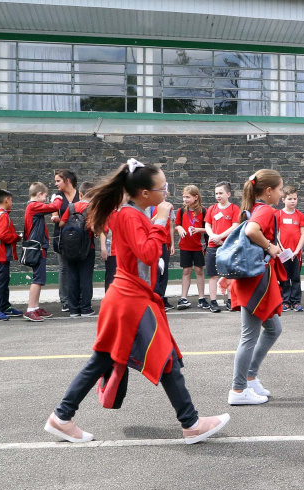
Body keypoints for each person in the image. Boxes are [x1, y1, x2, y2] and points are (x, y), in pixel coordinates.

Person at [44, 159, 229, 445]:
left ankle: (62, 416)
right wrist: (160, 221)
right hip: (131, 301)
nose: (166, 193)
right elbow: (148, 253)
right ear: (144, 193)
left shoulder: (132, 213)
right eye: (162, 188)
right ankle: (191, 423)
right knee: (163, 358)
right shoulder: (131, 215)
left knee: (107, 360)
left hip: (130, 299)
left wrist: (156, 223)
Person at [228, 169, 287, 406]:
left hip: (254, 279)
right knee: (249, 337)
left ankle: (249, 378)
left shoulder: (253, 208)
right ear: (269, 191)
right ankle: (238, 389)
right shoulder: (265, 210)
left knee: (273, 329)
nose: (282, 194)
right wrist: (270, 247)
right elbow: (252, 231)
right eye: (280, 189)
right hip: (256, 282)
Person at [23, 182, 63, 322]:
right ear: (39, 194)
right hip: (37, 247)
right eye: (45, 196)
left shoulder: (32, 207)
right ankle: (30, 309)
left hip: (38, 247)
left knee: (39, 278)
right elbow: (54, 207)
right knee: (38, 279)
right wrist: (57, 198)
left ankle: (35, 307)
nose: (46, 199)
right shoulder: (33, 206)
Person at [58, 182, 97, 318]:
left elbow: (62, 223)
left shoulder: (71, 206)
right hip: (87, 248)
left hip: (70, 248)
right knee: (85, 278)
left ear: (80, 194)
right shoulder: (92, 208)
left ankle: (73, 309)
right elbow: (93, 228)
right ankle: (86, 308)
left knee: (72, 277)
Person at [204, 182, 240, 313]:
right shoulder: (212, 208)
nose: (218, 196)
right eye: (216, 193)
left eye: (221, 193)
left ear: (228, 194)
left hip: (228, 246)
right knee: (213, 275)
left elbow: (235, 225)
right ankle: (213, 302)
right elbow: (207, 225)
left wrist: (221, 237)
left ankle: (231, 300)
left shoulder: (234, 208)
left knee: (230, 275)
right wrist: (213, 236)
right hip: (213, 246)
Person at [0, 188, 23, 321]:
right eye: (11, 200)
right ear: (6, 200)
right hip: (1, 254)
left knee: (3, 281)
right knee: (0, 282)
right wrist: (17, 237)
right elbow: (2, 235)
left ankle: (4, 306)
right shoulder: (3, 215)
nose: (12, 203)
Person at [174, 185, 208, 310]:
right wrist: (179, 228)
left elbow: (209, 229)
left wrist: (198, 229)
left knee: (199, 270)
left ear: (196, 197)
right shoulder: (181, 211)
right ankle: (183, 297)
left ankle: (201, 298)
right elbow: (177, 225)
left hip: (199, 246)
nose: (185, 199)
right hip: (185, 246)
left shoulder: (203, 211)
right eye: (184, 197)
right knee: (186, 271)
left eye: (188, 197)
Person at [51, 169, 79, 312]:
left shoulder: (80, 194)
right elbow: (54, 213)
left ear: (67, 180)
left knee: (79, 267)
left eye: (58, 181)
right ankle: (65, 300)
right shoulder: (57, 196)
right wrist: (55, 217)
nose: (56, 184)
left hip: (80, 237)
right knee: (63, 268)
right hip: (62, 236)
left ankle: (78, 298)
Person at [277, 185, 304, 312]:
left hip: (296, 254)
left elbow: (303, 234)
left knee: (296, 278)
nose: (292, 201)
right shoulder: (278, 214)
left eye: (295, 198)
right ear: (283, 200)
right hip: (283, 253)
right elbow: (276, 234)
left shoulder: (300, 215)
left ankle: (296, 302)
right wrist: (282, 249)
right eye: (289, 199)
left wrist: (296, 251)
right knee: (284, 277)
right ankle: (285, 301)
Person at [149, 203, 175, 310]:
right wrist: (160, 215)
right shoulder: (150, 207)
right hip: (155, 242)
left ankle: (162, 296)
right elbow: (148, 223)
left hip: (165, 243)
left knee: (164, 271)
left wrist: (172, 244)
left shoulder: (169, 207)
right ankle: (156, 296)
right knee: (156, 271)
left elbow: (171, 226)